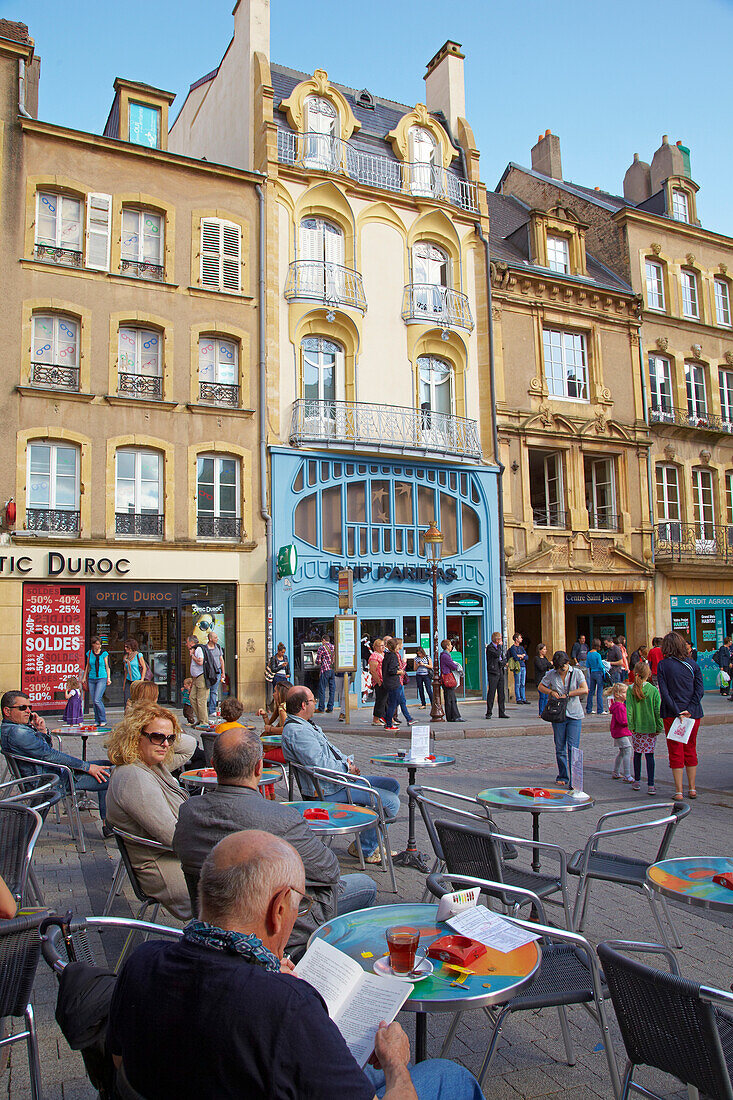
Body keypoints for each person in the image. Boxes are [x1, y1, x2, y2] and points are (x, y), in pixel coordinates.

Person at [108, 830, 483, 1100]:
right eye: (298, 907)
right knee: (451, 1076)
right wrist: (396, 1064)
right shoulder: (286, 1007)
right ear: (277, 910)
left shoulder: (141, 962)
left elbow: (120, 1063)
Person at [173, 727, 377, 954]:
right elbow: (329, 871)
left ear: (213, 764)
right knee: (366, 885)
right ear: (259, 767)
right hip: (280, 930)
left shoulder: (189, 812)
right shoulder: (281, 818)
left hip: (212, 924)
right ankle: (324, 962)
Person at [282, 686, 400, 864]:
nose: (315, 703)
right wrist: (346, 768)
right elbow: (319, 765)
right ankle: (366, 848)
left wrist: (348, 763)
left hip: (337, 781)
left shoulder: (305, 725)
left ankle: (366, 842)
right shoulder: (298, 732)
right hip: (327, 789)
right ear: (303, 705)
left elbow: (330, 751)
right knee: (391, 801)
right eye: (313, 700)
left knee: (392, 786)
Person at [105, 702, 197, 920]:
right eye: (157, 737)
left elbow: (190, 744)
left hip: (176, 859)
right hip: (169, 870)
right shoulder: (134, 777)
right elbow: (173, 836)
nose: (165, 744)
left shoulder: (150, 764)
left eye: (170, 738)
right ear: (135, 736)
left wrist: (164, 726)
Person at [0, 690, 110, 820]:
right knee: (114, 777)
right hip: (54, 780)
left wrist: (41, 730)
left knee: (106, 766)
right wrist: (87, 767)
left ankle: (107, 824)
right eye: (22, 708)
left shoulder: (14, 729)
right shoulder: (18, 732)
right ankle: (111, 825)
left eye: (30, 707)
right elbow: (50, 755)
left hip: (52, 774)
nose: (28, 711)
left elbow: (45, 750)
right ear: (7, 711)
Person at [657, 631, 704, 801]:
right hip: (693, 713)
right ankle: (692, 788)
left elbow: (665, 692)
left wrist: (677, 710)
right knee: (690, 748)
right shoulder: (693, 664)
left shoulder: (663, 665)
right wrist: (690, 708)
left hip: (672, 713)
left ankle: (678, 791)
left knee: (675, 750)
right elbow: (699, 690)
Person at [538, 652, 588, 787]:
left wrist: (568, 694)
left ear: (567, 663)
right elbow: (540, 686)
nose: (561, 670)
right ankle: (563, 775)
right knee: (560, 747)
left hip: (574, 714)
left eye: (563, 667)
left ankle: (575, 779)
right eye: (559, 668)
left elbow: (585, 689)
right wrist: (551, 692)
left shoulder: (576, 673)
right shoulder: (551, 674)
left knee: (573, 748)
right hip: (558, 714)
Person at [626, 660, 663, 794]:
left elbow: (629, 709)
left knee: (637, 754)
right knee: (649, 755)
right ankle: (651, 784)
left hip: (637, 727)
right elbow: (657, 710)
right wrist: (659, 726)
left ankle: (637, 781)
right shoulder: (653, 690)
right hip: (650, 727)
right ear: (648, 674)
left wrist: (631, 725)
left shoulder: (631, 689)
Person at [608, 682, 633, 782]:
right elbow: (623, 721)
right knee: (627, 750)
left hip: (618, 732)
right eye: (624, 693)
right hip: (620, 732)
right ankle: (627, 774)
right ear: (618, 694)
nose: (626, 695)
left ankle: (616, 771)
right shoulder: (620, 706)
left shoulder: (618, 705)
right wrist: (631, 721)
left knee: (622, 752)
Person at [83, 636, 111, 725]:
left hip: (102, 677)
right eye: (97, 644)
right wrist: (84, 677)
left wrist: (108, 678)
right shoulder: (89, 653)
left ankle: (103, 719)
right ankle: (97, 720)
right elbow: (87, 666)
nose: (99, 646)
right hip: (91, 677)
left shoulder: (104, 653)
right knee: (94, 700)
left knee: (97, 699)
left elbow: (107, 666)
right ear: (93, 644)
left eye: (100, 644)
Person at [186, 635, 209, 727]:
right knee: (192, 697)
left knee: (201, 700)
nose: (186, 645)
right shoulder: (195, 649)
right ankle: (199, 719)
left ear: (192, 643)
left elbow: (200, 662)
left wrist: (192, 656)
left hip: (201, 677)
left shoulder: (198, 649)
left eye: (187, 643)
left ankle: (204, 721)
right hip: (195, 678)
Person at [485, 631, 508, 719]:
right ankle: (489, 712)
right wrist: (499, 647)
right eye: (500, 639)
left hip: (500, 671)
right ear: (497, 639)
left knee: (501, 693)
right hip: (493, 672)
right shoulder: (490, 648)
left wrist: (503, 663)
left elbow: (503, 657)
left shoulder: (499, 648)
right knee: (492, 692)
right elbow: (497, 654)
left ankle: (502, 712)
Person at [383, 638, 404, 731]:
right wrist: (399, 672)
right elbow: (391, 670)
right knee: (392, 704)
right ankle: (388, 724)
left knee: (392, 703)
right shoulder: (393, 656)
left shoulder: (387, 655)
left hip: (388, 682)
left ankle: (388, 721)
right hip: (393, 683)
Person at [439, 639, 463, 722]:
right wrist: (456, 665)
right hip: (447, 678)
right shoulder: (445, 656)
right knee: (451, 698)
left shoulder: (445, 655)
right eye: (450, 645)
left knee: (450, 698)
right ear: (447, 646)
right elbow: (452, 666)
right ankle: (454, 716)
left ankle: (453, 716)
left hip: (445, 678)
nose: (451, 646)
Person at [122, 638, 147, 710]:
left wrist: (142, 679)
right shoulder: (126, 657)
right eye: (125, 647)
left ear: (131, 647)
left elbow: (144, 667)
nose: (125, 648)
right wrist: (124, 683)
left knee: (137, 700)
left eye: (127, 647)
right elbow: (126, 671)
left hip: (137, 680)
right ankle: (127, 716)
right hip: (128, 680)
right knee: (127, 699)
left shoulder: (138, 655)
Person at [314, 635, 335, 713]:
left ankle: (321, 708)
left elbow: (318, 661)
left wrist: (319, 661)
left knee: (322, 689)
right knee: (332, 689)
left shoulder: (322, 648)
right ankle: (330, 707)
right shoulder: (333, 647)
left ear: (323, 640)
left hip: (325, 670)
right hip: (332, 670)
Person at [585, 638, 606, 715]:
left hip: (592, 673)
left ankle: (589, 709)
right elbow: (601, 665)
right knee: (599, 692)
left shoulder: (589, 654)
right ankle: (600, 710)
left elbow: (587, 665)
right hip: (599, 673)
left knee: (591, 692)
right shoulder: (598, 655)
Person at [206, 632, 225, 717]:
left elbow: (221, 660)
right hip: (208, 671)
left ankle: (212, 710)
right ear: (210, 639)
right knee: (206, 691)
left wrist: (223, 672)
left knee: (214, 691)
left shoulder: (218, 647)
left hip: (217, 671)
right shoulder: (205, 648)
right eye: (215, 637)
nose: (217, 639)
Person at [369, 638, 386, 727]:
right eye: (381, 645)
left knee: (385, 700)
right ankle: (376, 719)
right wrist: (379, 681)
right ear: (376, 647)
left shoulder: (383, 654)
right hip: (379, 681)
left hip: (384, 680)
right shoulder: (374, 656)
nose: (383, 647)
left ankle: (384, 717)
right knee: (380, 700)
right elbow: (373, 670)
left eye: (384, 645)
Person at [507, 632, 528, 704]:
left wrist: (520, 656)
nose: (521, 639)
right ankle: (518, 698)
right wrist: (521, 656)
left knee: (523, 683)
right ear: (516, 639)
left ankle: (523, 698)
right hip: (517, 667)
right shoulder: (513, 648)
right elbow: (515, 657)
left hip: (523, 666)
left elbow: (527, 657)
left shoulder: (521, 648)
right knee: (517, 683)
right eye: (520, 638)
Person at [534, 643, 551, 716]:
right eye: (544, 649)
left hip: (546, 679)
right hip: (540, 679)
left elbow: (550, 666)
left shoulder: (545, 658)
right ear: (540, 650)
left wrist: (550, 664)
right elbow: (541, 668)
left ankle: (545, 711)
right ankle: (541, 712)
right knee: (542, 696)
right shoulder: (536, 659)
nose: (545, 651)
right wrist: (548, 664)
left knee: (546, 697)